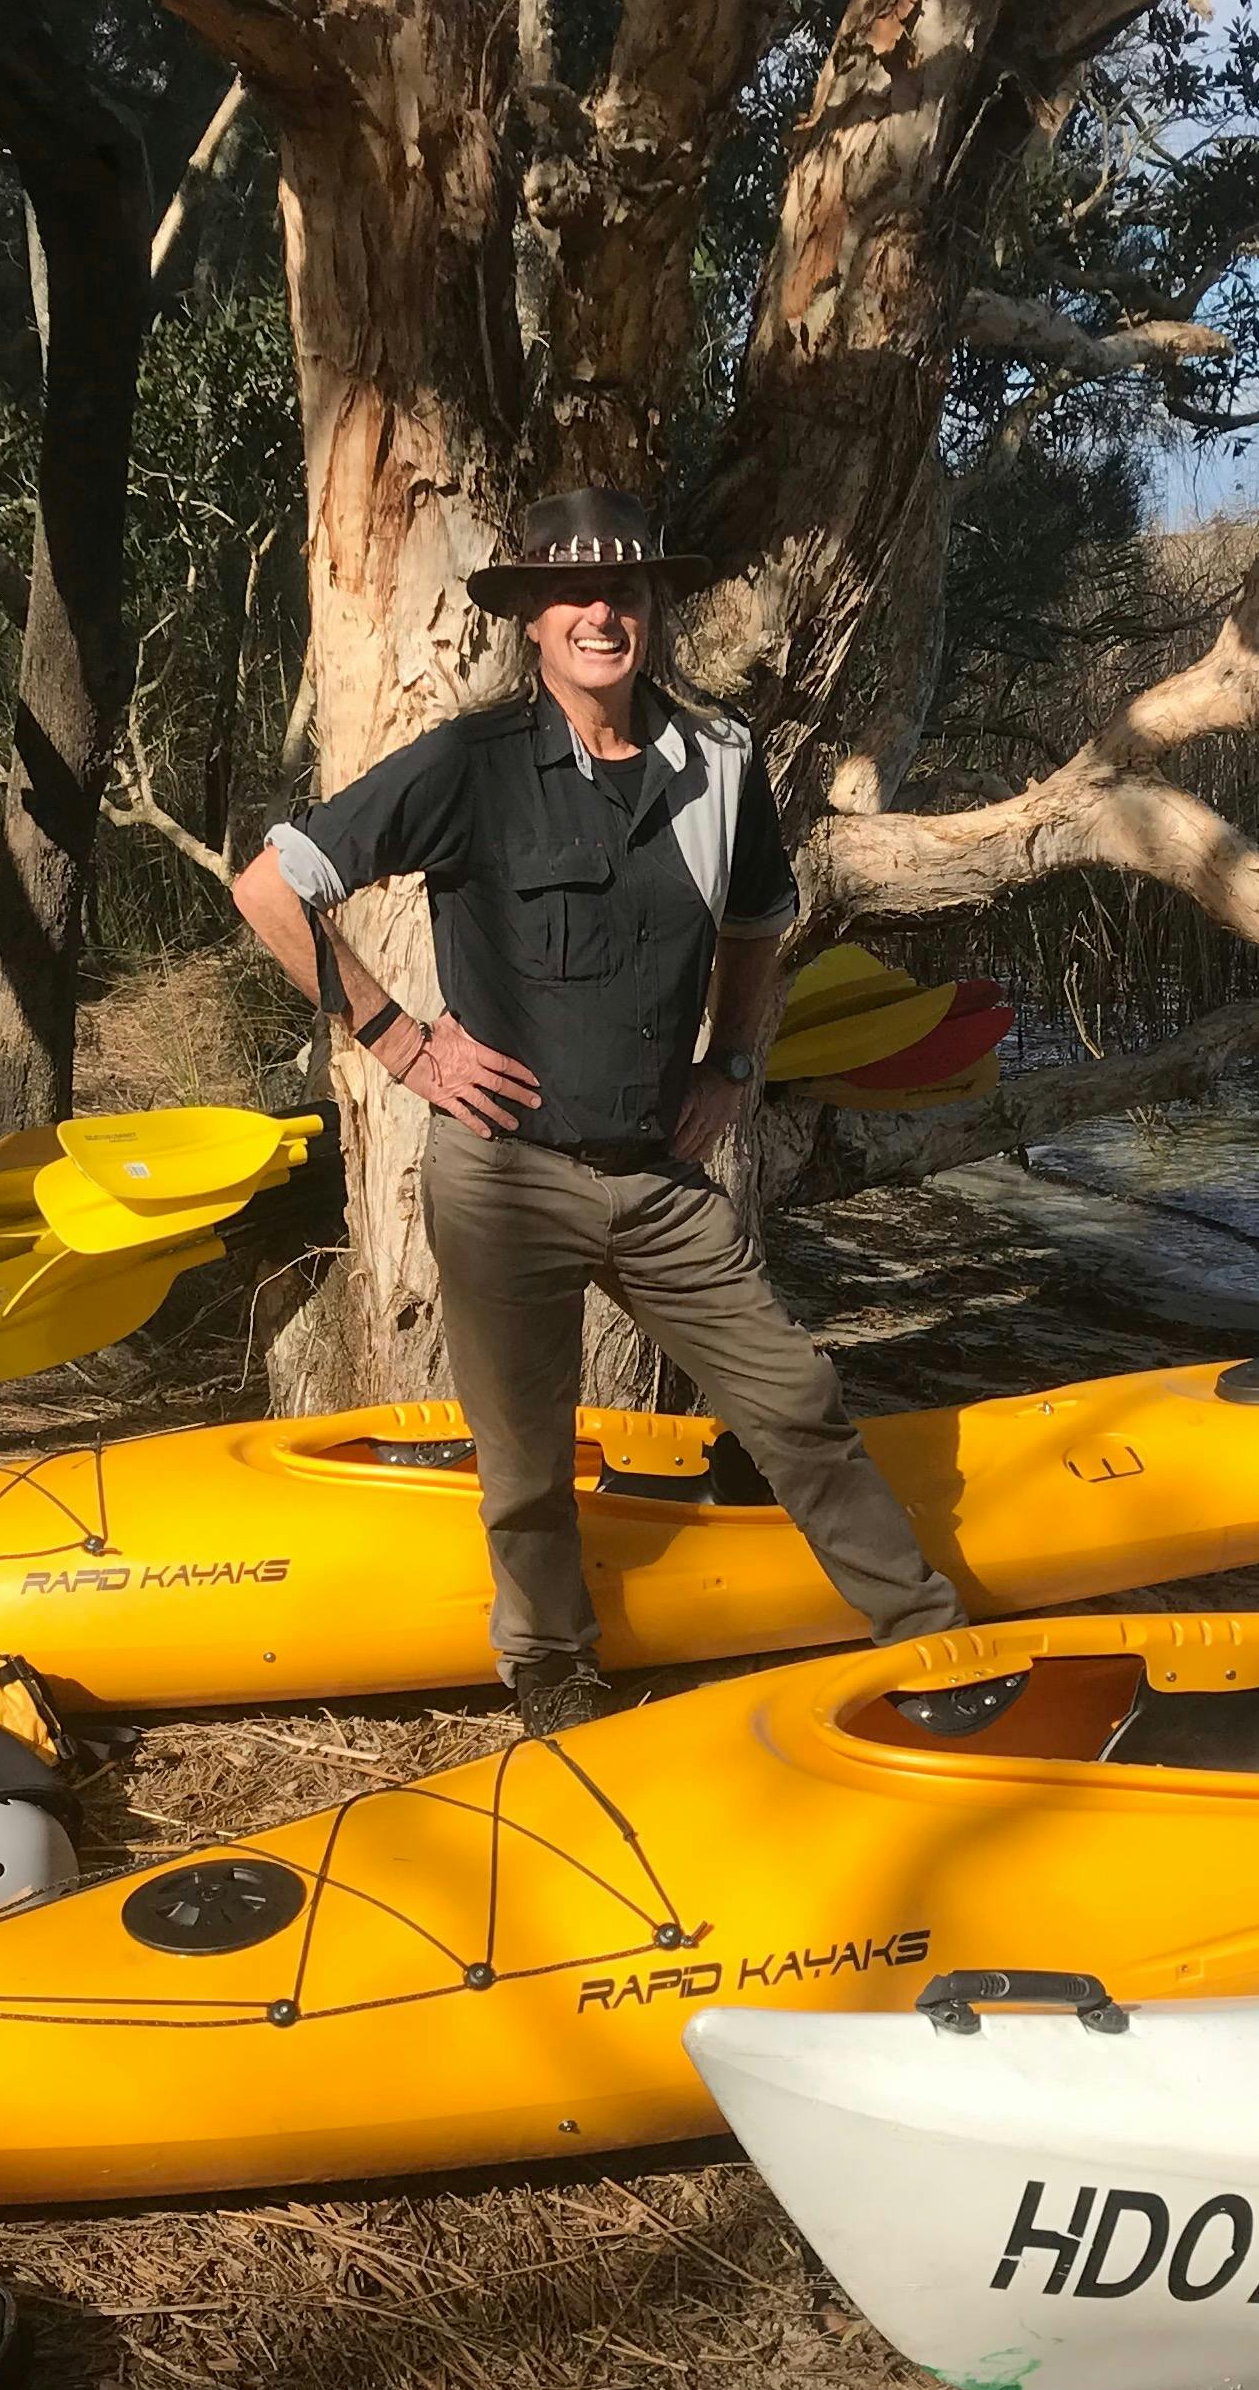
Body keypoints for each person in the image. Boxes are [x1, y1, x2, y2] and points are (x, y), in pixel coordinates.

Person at [229, 488, 964, 1734]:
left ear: (655, 609)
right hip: (503, 1175)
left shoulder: (721, 763)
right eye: (571, 592)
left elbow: (757, 926)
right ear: (528, 618)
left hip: (658, 1179)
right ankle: (551, 1662)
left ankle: (926, 1638)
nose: (599, 612)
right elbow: (273, 884)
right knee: (524, 1457)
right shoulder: (470, 764)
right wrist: (399, 1038)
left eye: (622, 591)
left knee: (794, 1399)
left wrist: (733, 1064)